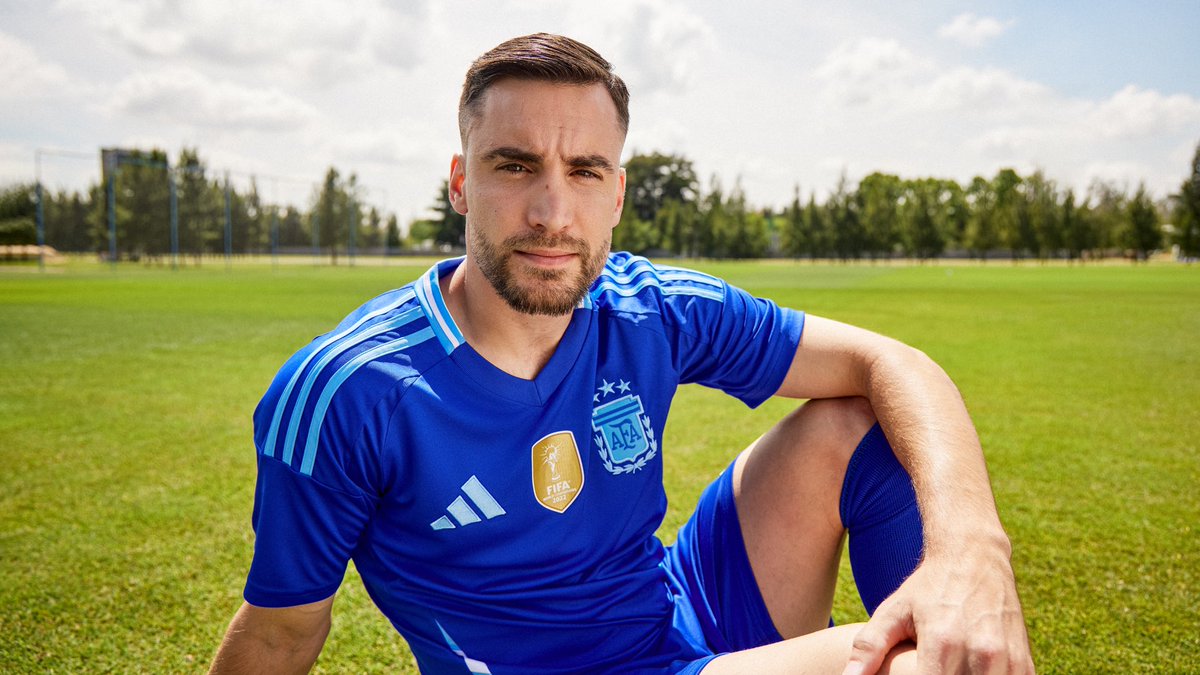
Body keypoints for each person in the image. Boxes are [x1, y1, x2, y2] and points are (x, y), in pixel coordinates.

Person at [210, 33, 1034, 675]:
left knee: (861, 417)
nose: (550, 210)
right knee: (930, 663)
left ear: (618, 194)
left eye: (585, 170)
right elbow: (282, 634)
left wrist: (970, 553)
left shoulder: (651, 308)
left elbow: (896, 364)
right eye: (516, 165)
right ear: (461, 183)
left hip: (674, 614)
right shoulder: (351, 390)